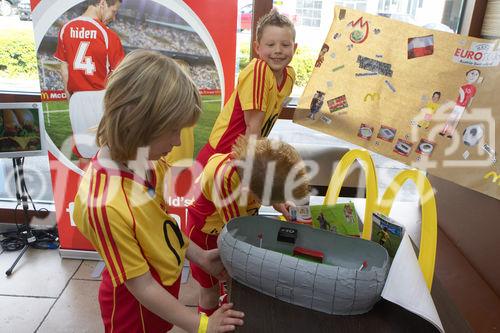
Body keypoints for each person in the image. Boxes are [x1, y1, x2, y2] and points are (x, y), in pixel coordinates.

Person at [72, 50, 244, 333]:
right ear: (138, 123)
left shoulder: (151, 165)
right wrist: (201, 325)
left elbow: (161, 226)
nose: (178, 142)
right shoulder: (104, 203)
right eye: (173, 130)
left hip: (161, 299)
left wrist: (200, 256)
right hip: (132, 315)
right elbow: (142, 286)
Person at [188, 136, 309, 316]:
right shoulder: (225, 181)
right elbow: (238, 233)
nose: (281, 201)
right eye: (275, 199)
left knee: (225, 280)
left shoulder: (256, 163)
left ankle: (222, 305)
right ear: (252, 191)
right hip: (204, 236)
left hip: (229, 227)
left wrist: (278, 204)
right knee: (209, 291)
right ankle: (207, 323)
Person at [195, 10, 297, 168]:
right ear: (257, 47)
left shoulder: (289, 76)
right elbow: (253, 126)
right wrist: (249, 170)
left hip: (242, 156)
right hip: (223, 158)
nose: (278, 50)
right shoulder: (258, 70)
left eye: (285, 45)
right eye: (270, 44)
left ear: (294, 47)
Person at [54, 0, 125, 161]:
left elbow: (64, 69)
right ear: (102, 4)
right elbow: (119, 76)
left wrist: (70, 99)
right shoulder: (108, 35)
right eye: (114, 11)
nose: (113, 17)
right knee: (109, 156)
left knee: (84, 154)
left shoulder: (66, 28)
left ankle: (84, 185)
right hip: (102, 98)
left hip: (77, 99)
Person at [440, 69, 480, 138]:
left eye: (476, 75)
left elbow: (471, 98)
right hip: (458, 105)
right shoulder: (462, 87)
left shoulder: (473, 88)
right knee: (452, 119)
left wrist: (467, 106)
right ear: (467, 75)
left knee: (455, 119)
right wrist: (462, 101)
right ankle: (444, 131)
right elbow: (461, 97)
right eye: (472, 73)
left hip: (462, 106)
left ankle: (450, 133)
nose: (474, 76)